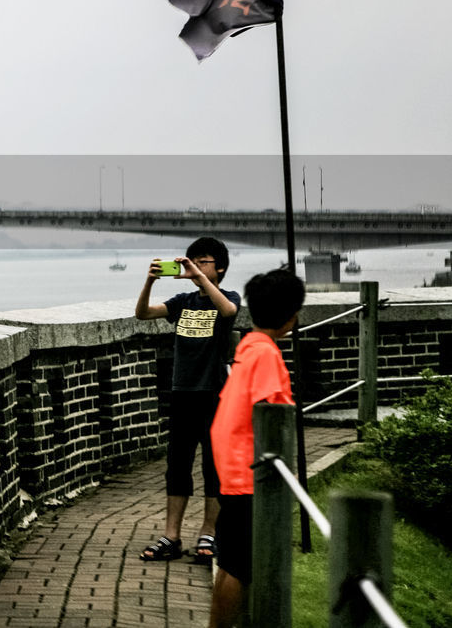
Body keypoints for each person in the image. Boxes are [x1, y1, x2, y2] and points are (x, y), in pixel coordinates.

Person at [207, 268, 304, 628]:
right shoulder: (265, 354)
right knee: (240, 567)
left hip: (233, 468)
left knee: (231, 561)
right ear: (292, 315)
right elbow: (269, 411)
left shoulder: (248, 346)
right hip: (251, 474)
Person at [135, 236, 240, 564]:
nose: (193, 266)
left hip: (214, 394)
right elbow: (142, 314)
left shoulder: (226, 297)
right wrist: (150, 281)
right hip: (182, 393)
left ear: (219, 267)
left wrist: (202, 279)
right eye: (190, 261)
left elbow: (229, 310)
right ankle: (172, 535)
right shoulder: (183, 302)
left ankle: (209, 533)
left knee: (213, 467)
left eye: (203, 261)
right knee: (177, 466)